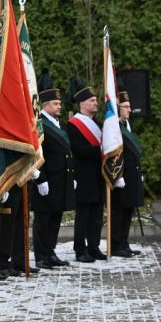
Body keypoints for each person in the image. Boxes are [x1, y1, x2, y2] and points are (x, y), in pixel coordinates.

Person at [31, 71, 73, 268]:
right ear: (45, 105)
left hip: (61, 180)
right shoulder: (40, 124)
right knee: (43, 219)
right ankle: (41, 255)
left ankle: (51, 251)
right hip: (47, 179)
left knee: (56, 217)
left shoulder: (58, 124)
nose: (59, 106)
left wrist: (72, 174)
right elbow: (37, 152)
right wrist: (41, 178)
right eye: (55, 104)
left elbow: (66, 152)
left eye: (59, 103)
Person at [66, 77, 106, 262]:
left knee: (97, 215)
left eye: (95, 100)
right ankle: (80, 250)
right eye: (91, 101)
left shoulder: (98, 124)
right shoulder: (73, 125)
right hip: (83, 176)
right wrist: (101, 150)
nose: (95, 103)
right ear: (82, 104)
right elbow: (78, 149)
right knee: (83, 216)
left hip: (98, 175)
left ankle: (94, 246)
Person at [109, 90, 144, 257]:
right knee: (118, 212)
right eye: (126, 107)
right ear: (118, 107)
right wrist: (117, 175)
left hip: (132, 176)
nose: (129, 110)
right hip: (121, 176)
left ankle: (124, 242)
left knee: (128, 211)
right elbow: (113, 152)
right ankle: (115, 245)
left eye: (130, 107)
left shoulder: (127, 125)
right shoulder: (113, 127)